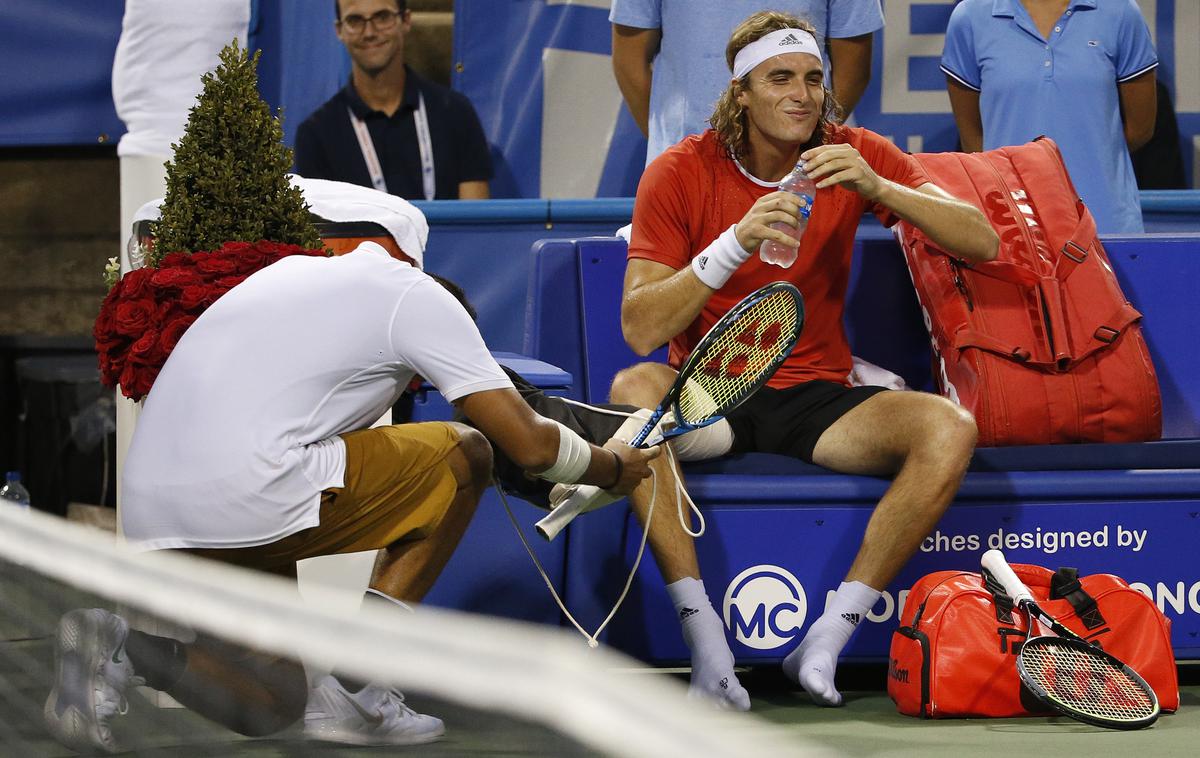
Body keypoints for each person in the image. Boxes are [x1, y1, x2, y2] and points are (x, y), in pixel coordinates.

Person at [43, 242, 658, 753]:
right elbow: (524, 445)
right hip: (248, 488)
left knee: (273, 702)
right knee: (468, 451)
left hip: (153, 512)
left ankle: (126, 647)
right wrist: (609, 467)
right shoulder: (423, 302)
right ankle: (361, 685)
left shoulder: (295, 280)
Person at [609, 11, 999, 707]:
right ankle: (706, 648)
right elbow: (640, 327)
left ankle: (826, 641)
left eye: (815, 78)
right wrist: (731, 244)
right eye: (781, 78)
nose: (803, 93)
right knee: (632, 389)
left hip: (816, 397)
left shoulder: (850, 153)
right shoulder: (679, 169)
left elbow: (982, 239)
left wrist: (882, 188)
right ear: (741, 94)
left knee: (949, 428)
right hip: (711, 392)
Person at [433, 275, 751, 711]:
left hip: (718, 423)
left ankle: (704, 634)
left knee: (641, 429)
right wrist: (611, 465)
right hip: (607, 440)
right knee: (636, 417)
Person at [940, 0, 1158, 234]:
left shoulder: (1121, 11)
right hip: (1012, 230)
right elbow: (973, 138)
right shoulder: (970, 17)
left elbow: (1140, 129)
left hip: (1107, 225)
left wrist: (1092, 161)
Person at [610, 0, 884, 165]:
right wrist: (680, 148)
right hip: (684, 171)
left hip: (795, 173)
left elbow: (853, 71)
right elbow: (629, 62)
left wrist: (802, 144)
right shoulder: (679, 168)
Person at [294, 0, 492, 200]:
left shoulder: (456, 113)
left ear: (405, 20)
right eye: (355, 20)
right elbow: (322, 227)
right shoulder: (316, 135)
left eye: (382, 17)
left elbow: (474, 224)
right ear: (339, 30)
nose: (369, 32)